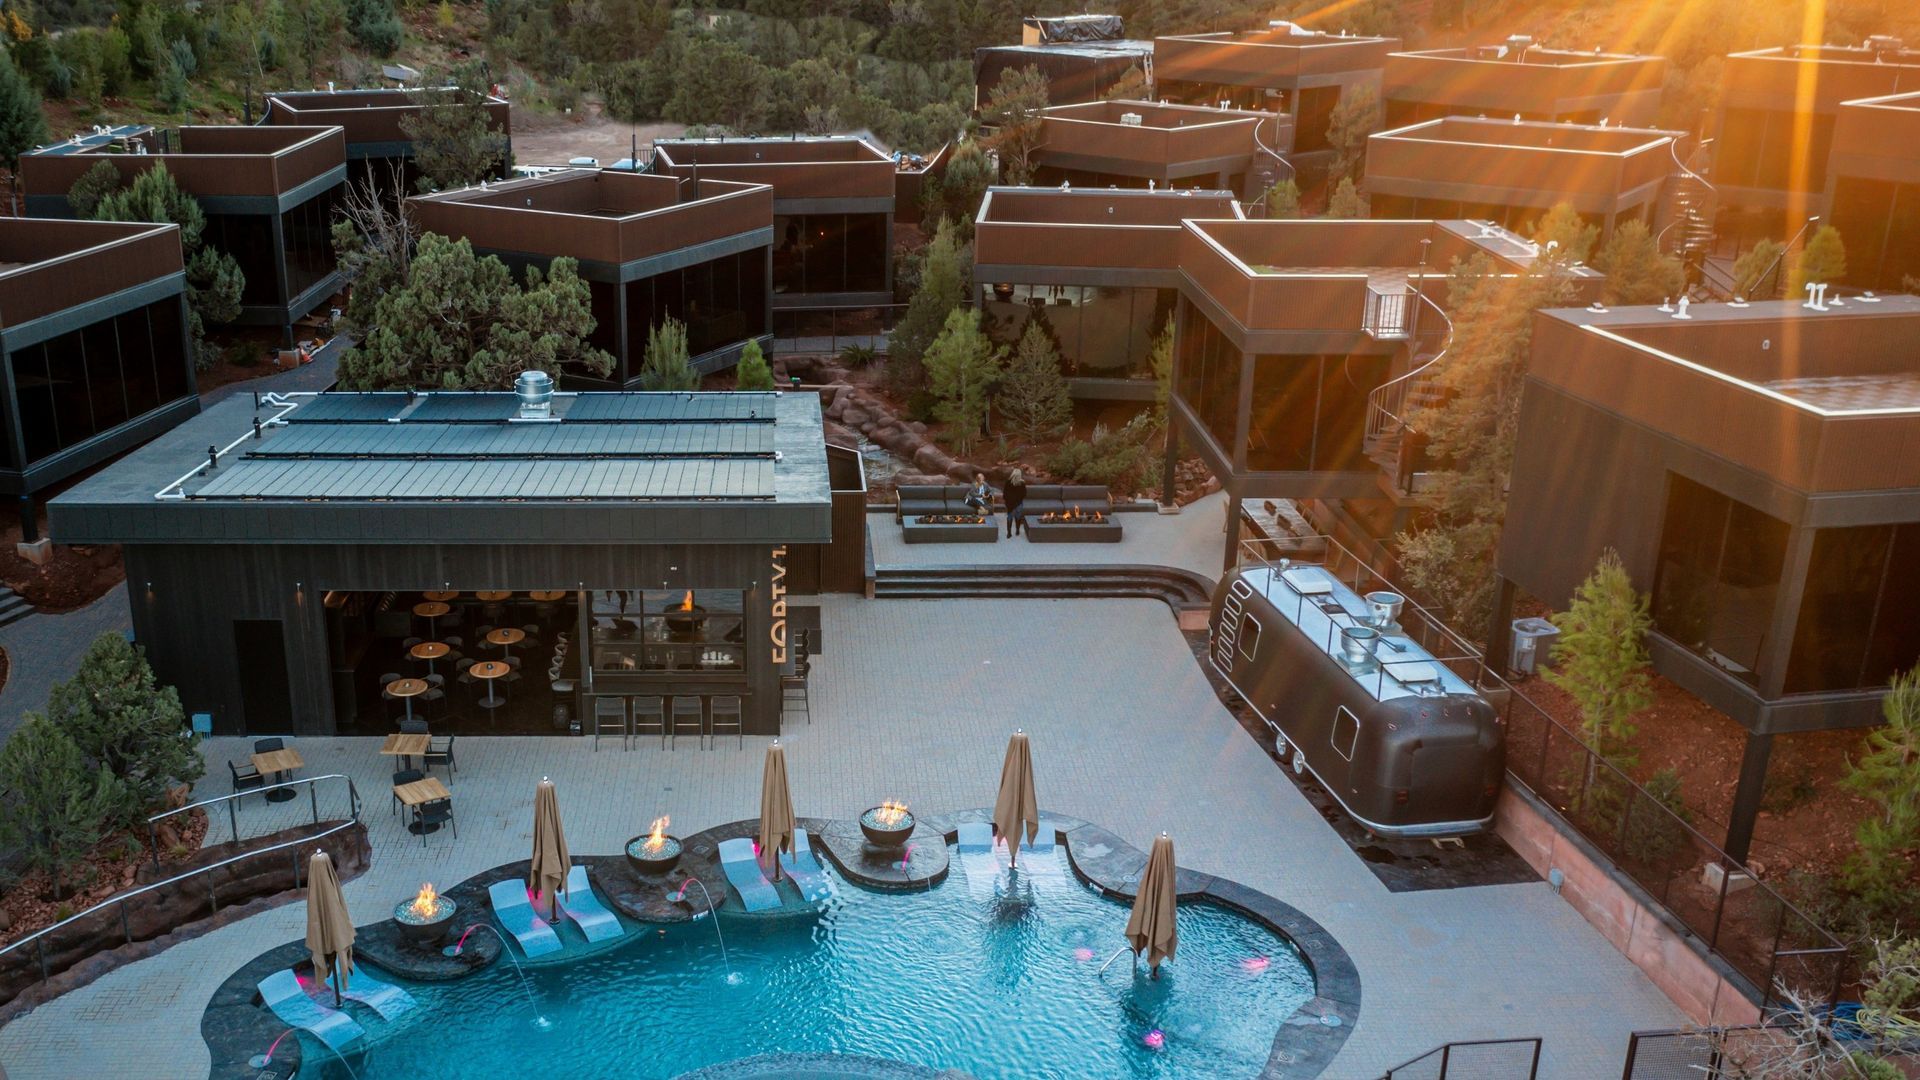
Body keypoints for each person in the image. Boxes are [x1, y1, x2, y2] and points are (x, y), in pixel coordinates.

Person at [1004, 468, 1028, 538]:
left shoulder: (1008, 482)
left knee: (1009, 517)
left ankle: (1009, 533)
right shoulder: (1022, 483)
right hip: (1019, 503)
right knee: (1018, 517)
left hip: (1010, 503)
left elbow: (1005, 494)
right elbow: (1024, 494)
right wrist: (1019, 499)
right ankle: (1017, 530)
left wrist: (1007, 501)